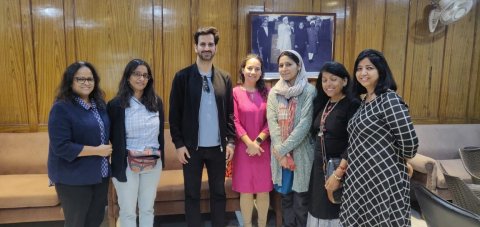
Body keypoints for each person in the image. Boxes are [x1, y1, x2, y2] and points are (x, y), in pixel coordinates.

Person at [340, 49, 419, 226]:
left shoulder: (389, 99)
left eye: (369, 68)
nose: (363, 73)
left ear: (381, 71)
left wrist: (393, 159)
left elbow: (411, 145)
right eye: (359, 69)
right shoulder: (364, 101)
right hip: (359, 176)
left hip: (382, 178)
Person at [169, 26, 236, 227]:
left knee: (218, 193)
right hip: (191, 149)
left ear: (215, 48)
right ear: (195, 47)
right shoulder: (182, 78)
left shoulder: (224, 78)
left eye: (210, 44)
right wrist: (179, 144)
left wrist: (231, 142)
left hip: (218, 149)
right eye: (202, 44)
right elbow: (174, 115)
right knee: (191, 194)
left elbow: (230, 115)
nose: (206, 48)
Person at [48, 61, 112, 227]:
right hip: (73, 178)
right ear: (70, 81)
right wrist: (97, 151)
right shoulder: (61, 108)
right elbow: (61, 147)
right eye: (80, 79)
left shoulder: (99, 105)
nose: (86, 82)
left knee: (95, 220)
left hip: (100, 175)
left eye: (90, 79)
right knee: (76, 223)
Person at [108, 59, 165, 227]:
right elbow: (111, 135)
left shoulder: (156, 102)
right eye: (137, 74)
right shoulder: (116, 104)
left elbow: (160, 133)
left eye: (145, 75)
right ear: (127, 77)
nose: (142, 79)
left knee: (147, 209)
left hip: (152, 162)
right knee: (128, 211)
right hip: (126, 164)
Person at [267, 49, 316, 227]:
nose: (284, 68)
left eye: (289, 64)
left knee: (301, 202)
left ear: (299, 65)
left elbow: (304, 125)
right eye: (281, 65)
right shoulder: (274, 92)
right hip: (281, 159)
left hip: (301, 156)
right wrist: (282, 154)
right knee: (285, 199)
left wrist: (281, 150)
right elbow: (272, 123)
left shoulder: (309, 91)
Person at [307, 62, 359, 227]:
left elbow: (356, 142)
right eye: (324, 80)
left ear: (344, 81)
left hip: (339, 167)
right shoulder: (323, 103)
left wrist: (338, 173)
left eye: (333, 79)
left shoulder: (353, 104)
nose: (328, 84)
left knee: (334, 207)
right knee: (318, 207)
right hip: (320, 166)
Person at [232, 54, 272, 227]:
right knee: (246, 191)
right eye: (249, 68)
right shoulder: (234, 92)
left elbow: (273, 120)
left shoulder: (268, 92)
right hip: (243, 149)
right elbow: (233, 120)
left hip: (263, 148)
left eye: (257, 69)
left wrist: (258, 141)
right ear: (242, 70)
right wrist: (250, 143)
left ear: (261, 72)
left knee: (263, 190)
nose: (253, 72)